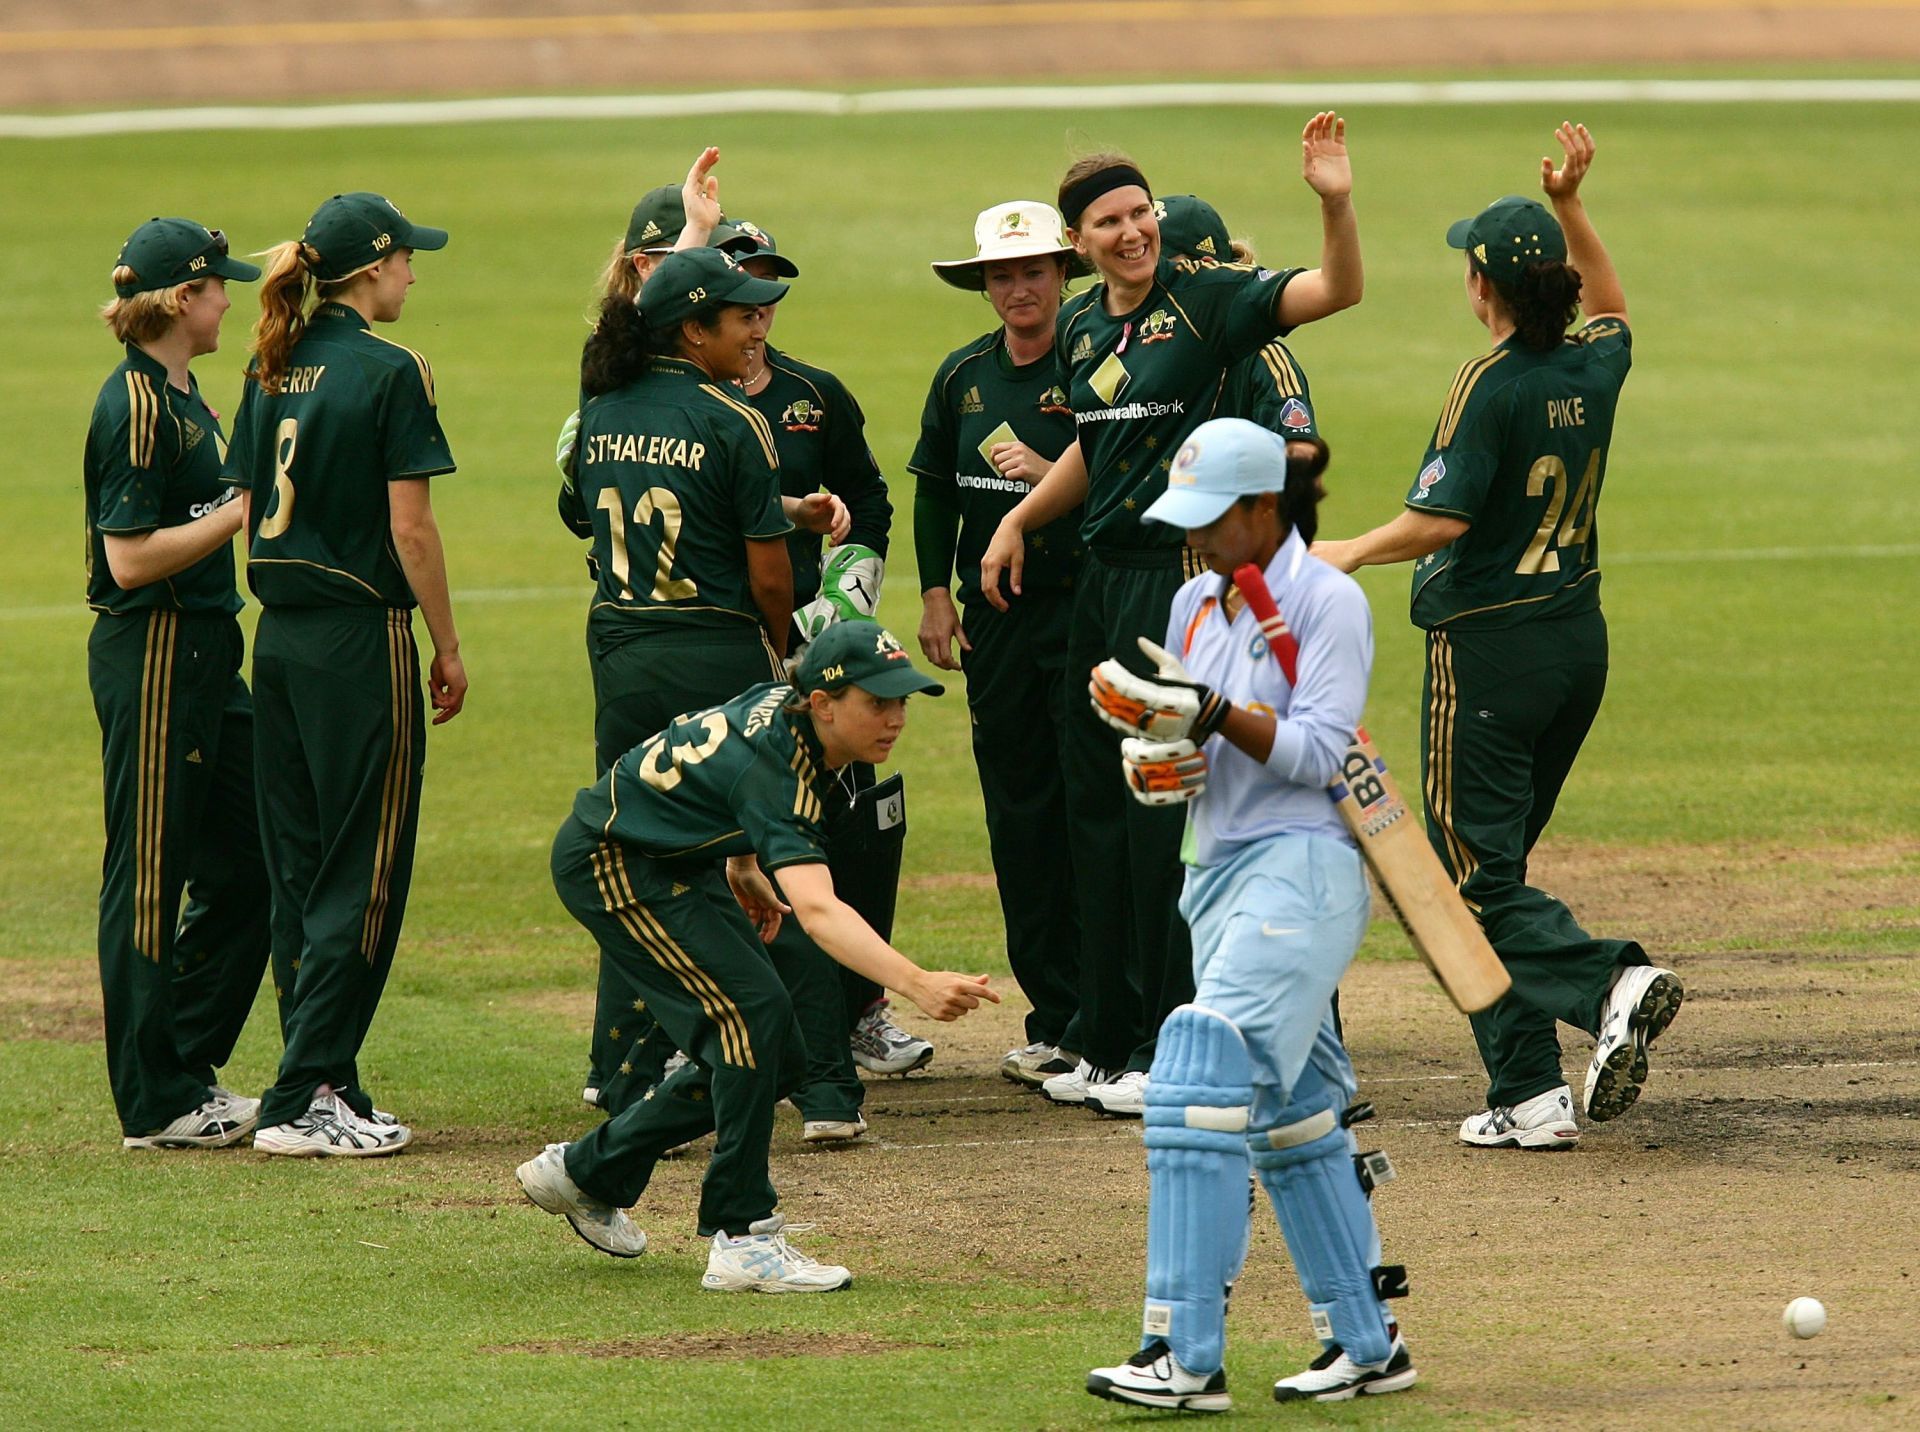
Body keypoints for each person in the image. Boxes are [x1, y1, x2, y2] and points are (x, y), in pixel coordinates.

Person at [978, 113, 1364, 1118]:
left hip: (1171, 576)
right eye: (1109, 221)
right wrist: (1019, 519)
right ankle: (1103, 1039)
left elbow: (1336, 292)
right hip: (1102, 577)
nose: (1132, 232)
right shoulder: (1079, 325)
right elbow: (1097, 447)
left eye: (1140, 213)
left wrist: (1333, 202)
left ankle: (1167, 1038)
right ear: (1080, 243)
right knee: (1092, 806)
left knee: (1163, 809)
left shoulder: (1207, 305)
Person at [1311, 124, 1681, 1149]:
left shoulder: (1490, 383)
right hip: (1577, 644)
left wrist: (1344, 549)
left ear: (1485, 287)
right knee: (1498, 870)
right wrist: (1570, 205)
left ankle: (1614, 980)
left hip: (1487, 651)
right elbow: (1613, 304)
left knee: (1472, 882)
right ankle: (1527, 1092)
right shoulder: (1593, 364)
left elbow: (1443, 521)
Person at [1083, 418, 1415, 1410]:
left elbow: (1318, 751)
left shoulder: (1328, 600)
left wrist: (1210, 713)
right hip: (1215, 874)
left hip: (1304, 874)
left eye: (1210, 519)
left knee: (1196, 1072)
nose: (1195, 538)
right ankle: (1367, 1340)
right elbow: (1190, 759)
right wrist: (1158, 756)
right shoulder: (1195, 598)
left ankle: (1180, 1352)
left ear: (1263, 508)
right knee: (1294, 1114)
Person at [514, 619, 999, 1291]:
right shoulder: (785, 764)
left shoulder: (793, 715)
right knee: (751, 1019)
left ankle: (588, 1171)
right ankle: (742, 1234)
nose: (896, 719)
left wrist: (741, 865)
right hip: (614, 861)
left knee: (781, 1053)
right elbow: (820, 911)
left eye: (902, 702)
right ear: (825, 704)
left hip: (668, 856)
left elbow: (723, 780)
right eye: (877, 702)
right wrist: (915, 982)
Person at [227, 191, 467, 1157]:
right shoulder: (391, 367)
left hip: (277, 642)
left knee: (300, 873)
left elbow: (247, 502)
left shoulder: (270, 362)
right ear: (371, 268)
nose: (415, 274)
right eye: (408, 259)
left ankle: (328, 1078)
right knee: (363, 872)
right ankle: (302, 1098)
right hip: (360, 644)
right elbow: (410, 528)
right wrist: (446, 645)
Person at [569, 241, 803, 1114]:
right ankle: (748, 1061)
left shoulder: (598, 411)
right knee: (739, 858)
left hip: (623, 654)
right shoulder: (733, 417)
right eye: (740, 316)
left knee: (629, 856)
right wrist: (776, 658)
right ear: (692, 330)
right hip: (713, 653)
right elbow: (770, 574)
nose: (754, 330)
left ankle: (620, 1067)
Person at [716, 217, 935, 1103]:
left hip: (813, 656)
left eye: (770, 291)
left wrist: (837, 613)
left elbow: (871, 502)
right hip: (720, 645)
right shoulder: (681, 404)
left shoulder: (815, 395)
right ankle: (721, 1028)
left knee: (855, 821)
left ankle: (857, 1012)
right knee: (732, 840)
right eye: (743, 291)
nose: (761, 312)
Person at [85, 217, 271, 1150]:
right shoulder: (137, 408)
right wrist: (239, 514)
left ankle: (187, 1063)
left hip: (206, 655)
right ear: (181, 300)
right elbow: (126, 561)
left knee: (254, 862)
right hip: (154, 650)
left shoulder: (184, 391)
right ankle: (153, 1101)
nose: (229, 299)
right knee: (150, 875)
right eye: (217, 287)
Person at [912, 199, 1085, 1087]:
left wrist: (1050, 481)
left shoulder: (1097, 363)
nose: (1019, 288)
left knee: (1088, 811)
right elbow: (936, 491)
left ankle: (1105, 1016)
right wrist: (936, 594)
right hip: (996, 624)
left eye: (1034, 271)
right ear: (984, 286)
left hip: (1083, 610)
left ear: (1063, 274)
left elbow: (1135, 473)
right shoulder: (962, 378)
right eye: (1002, 274)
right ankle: (1054, 1015)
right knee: (1019, 816)